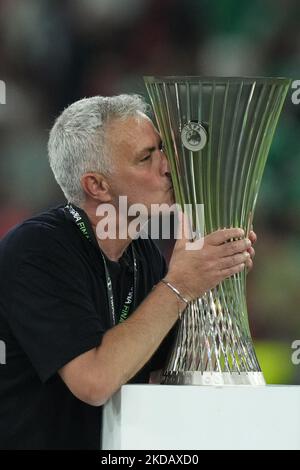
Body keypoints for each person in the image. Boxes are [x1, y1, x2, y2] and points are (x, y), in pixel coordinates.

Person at [0, 95, 256, 449]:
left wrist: (212, 277)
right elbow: (94, 381)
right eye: (146, 157)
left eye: (162, 149)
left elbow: (167, 377)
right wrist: (180, 284)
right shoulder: (37, 250)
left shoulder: (143, 254)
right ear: (97, 186)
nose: (168, 166)